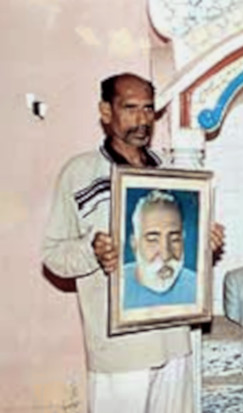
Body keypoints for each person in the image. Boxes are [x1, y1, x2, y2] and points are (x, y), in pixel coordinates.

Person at [42, 73, 224, 412]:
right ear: (106, 111)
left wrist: (204, 243)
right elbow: (52, 255)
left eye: (148, 109)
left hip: (173, 341)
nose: (142, 120)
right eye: (130, 108)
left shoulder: (173, 171)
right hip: (120, 349)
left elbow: (182, 248)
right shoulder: (80, 173)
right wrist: (91, 249)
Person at [123, 189, 197, 309]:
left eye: (175, 239)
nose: (166, 255)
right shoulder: (117, 285)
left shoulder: (196, 287)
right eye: (153, 240)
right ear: (134, 243)